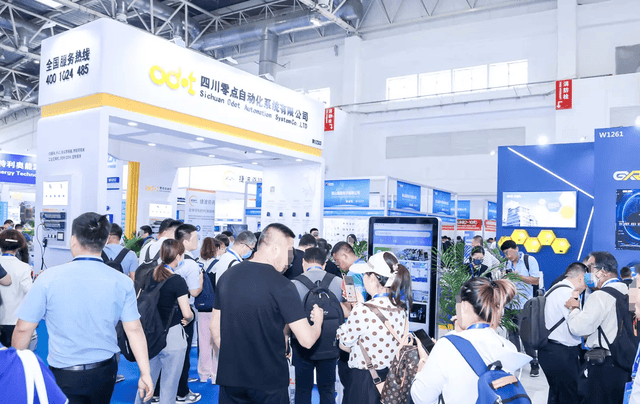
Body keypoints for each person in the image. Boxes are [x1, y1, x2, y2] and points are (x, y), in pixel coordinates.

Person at [12, 212, 153, 404]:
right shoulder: (122, 281)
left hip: (64, 373)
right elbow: (134, 329)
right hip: (106, 371)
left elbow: (23, 328)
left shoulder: (48, 278)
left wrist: (16, 367)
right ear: (105, 241)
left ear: (73, 240)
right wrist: (145, 373)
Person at [210, 223, 324, 403]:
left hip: (231, 378)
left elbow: (214, 328)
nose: (290, 260)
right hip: (269, 381)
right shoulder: (283, 285)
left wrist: (235, 359)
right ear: (275, 249)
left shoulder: (227, 276)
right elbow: (307, 340)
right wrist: (318, 321)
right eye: (289, 252)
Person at [411, 277, 529, 404]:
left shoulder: (446, 346)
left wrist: (422, 367)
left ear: (464, 305)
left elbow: (421, 398)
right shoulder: (509, 347)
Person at [336, 251, 412, 404]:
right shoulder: (401, 309)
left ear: (373, 278)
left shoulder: (362, 310)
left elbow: (344, 345)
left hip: (364, 382)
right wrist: (359, 306)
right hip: (391, 380)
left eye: (365, 274)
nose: (363, 277)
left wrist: (356, 309)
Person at [566, 251, 631, 404]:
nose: (586, 274)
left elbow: (579, 328)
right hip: (625, 362)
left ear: (602, 272)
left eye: (589, 268)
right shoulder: (628, 291)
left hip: (603, 366)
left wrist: (574, 309)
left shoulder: (600, 296)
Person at [134, 239, 194, 404]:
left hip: (149, 334)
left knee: (146, 381)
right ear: (178, 256)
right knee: (169, 386)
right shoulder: (177, 281)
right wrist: (189, 318)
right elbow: (187, 313)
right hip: (172, 336)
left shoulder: (149, 275)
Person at [290, 247, 344, 404]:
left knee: (302, 390)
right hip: (330, 345)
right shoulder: (339, 282)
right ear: (324, 263)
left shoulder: (293, 284)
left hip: (302, 345)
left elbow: (288, 317)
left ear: (303, 262)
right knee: (327, 390)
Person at [538, 262, 587, 404]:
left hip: (550, 350)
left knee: (556, 395)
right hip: (562, 353)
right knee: (569, 397)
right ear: (581, 277)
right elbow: (577, 327)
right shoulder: (569, 293)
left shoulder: (555, 288)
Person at [500, 239, 541, 376]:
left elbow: (536, 280)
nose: (508, 256)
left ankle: (534, 363)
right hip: (509, 303)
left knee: (526, 335)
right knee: (512, 334)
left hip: (524, 304)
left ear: (516, 249)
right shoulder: (506, 263)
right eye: (505, 254)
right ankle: (516, 362)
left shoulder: (529, 260)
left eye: (509, 252)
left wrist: (519, 277)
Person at [197, 237, 224, 384]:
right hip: (217, 307)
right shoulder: (219, 264)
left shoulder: (197, 263)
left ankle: (203, 374)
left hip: (202, 307)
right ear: (216, 248)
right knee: (216, 340)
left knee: (203, 341)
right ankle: (215, 375)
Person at [0, 230, 32, 348]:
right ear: (18, 247)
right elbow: (30, 292)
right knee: (15, 356)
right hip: (14, 321)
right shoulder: (24, 267)